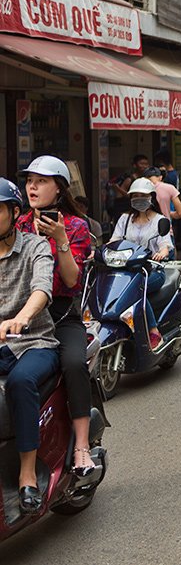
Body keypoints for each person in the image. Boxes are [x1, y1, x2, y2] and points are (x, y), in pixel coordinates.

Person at [16, 156, 96, 479]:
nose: (32, 187)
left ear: (59, 189)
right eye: (29, 181)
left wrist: (61, 239)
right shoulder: (17, 224)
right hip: (22, 317)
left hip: (61, 316)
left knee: (74, 363)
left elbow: (73, 280)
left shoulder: (77, 227)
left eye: (41, 181)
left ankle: (81, 446)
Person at [0, 177, 59, 514]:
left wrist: (21, 317)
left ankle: (26, 476)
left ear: (14, 212)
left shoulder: (35, 247)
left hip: (34, 342)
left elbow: (42, 288)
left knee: (21, 382)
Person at [110, 178, 173, 349]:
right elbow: (114, 241)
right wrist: (100, 251)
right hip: (126, 271)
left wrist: (161, 253)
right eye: (135, 196)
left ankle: (154, 332)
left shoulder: (159, 220)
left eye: (143, 196)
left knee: (136, 289)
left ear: (151, 197)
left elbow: (165, 245)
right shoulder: (125, 219)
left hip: (152, 271)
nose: (139, 199)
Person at [108, 154, 149, 223]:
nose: (144, 166)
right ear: (135, 165)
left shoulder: (147, 179)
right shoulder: (130, 179)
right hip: (127, 209)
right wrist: (118, 189)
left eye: (146, 164)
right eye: (141, 163)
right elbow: (119, 196)